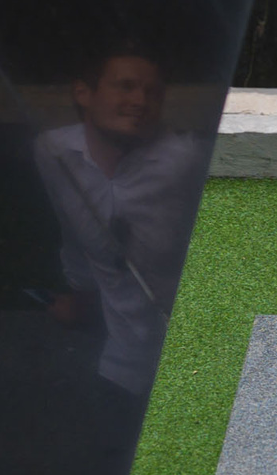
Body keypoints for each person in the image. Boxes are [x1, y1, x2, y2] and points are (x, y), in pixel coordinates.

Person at [32, 44, 206, 397]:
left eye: (153, 92)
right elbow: (74, 236)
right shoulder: (55, 153)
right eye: (125, 86)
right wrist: (80, 302)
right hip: (121, 365)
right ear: (83, 93)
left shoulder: (185, 164)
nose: (141, 101)